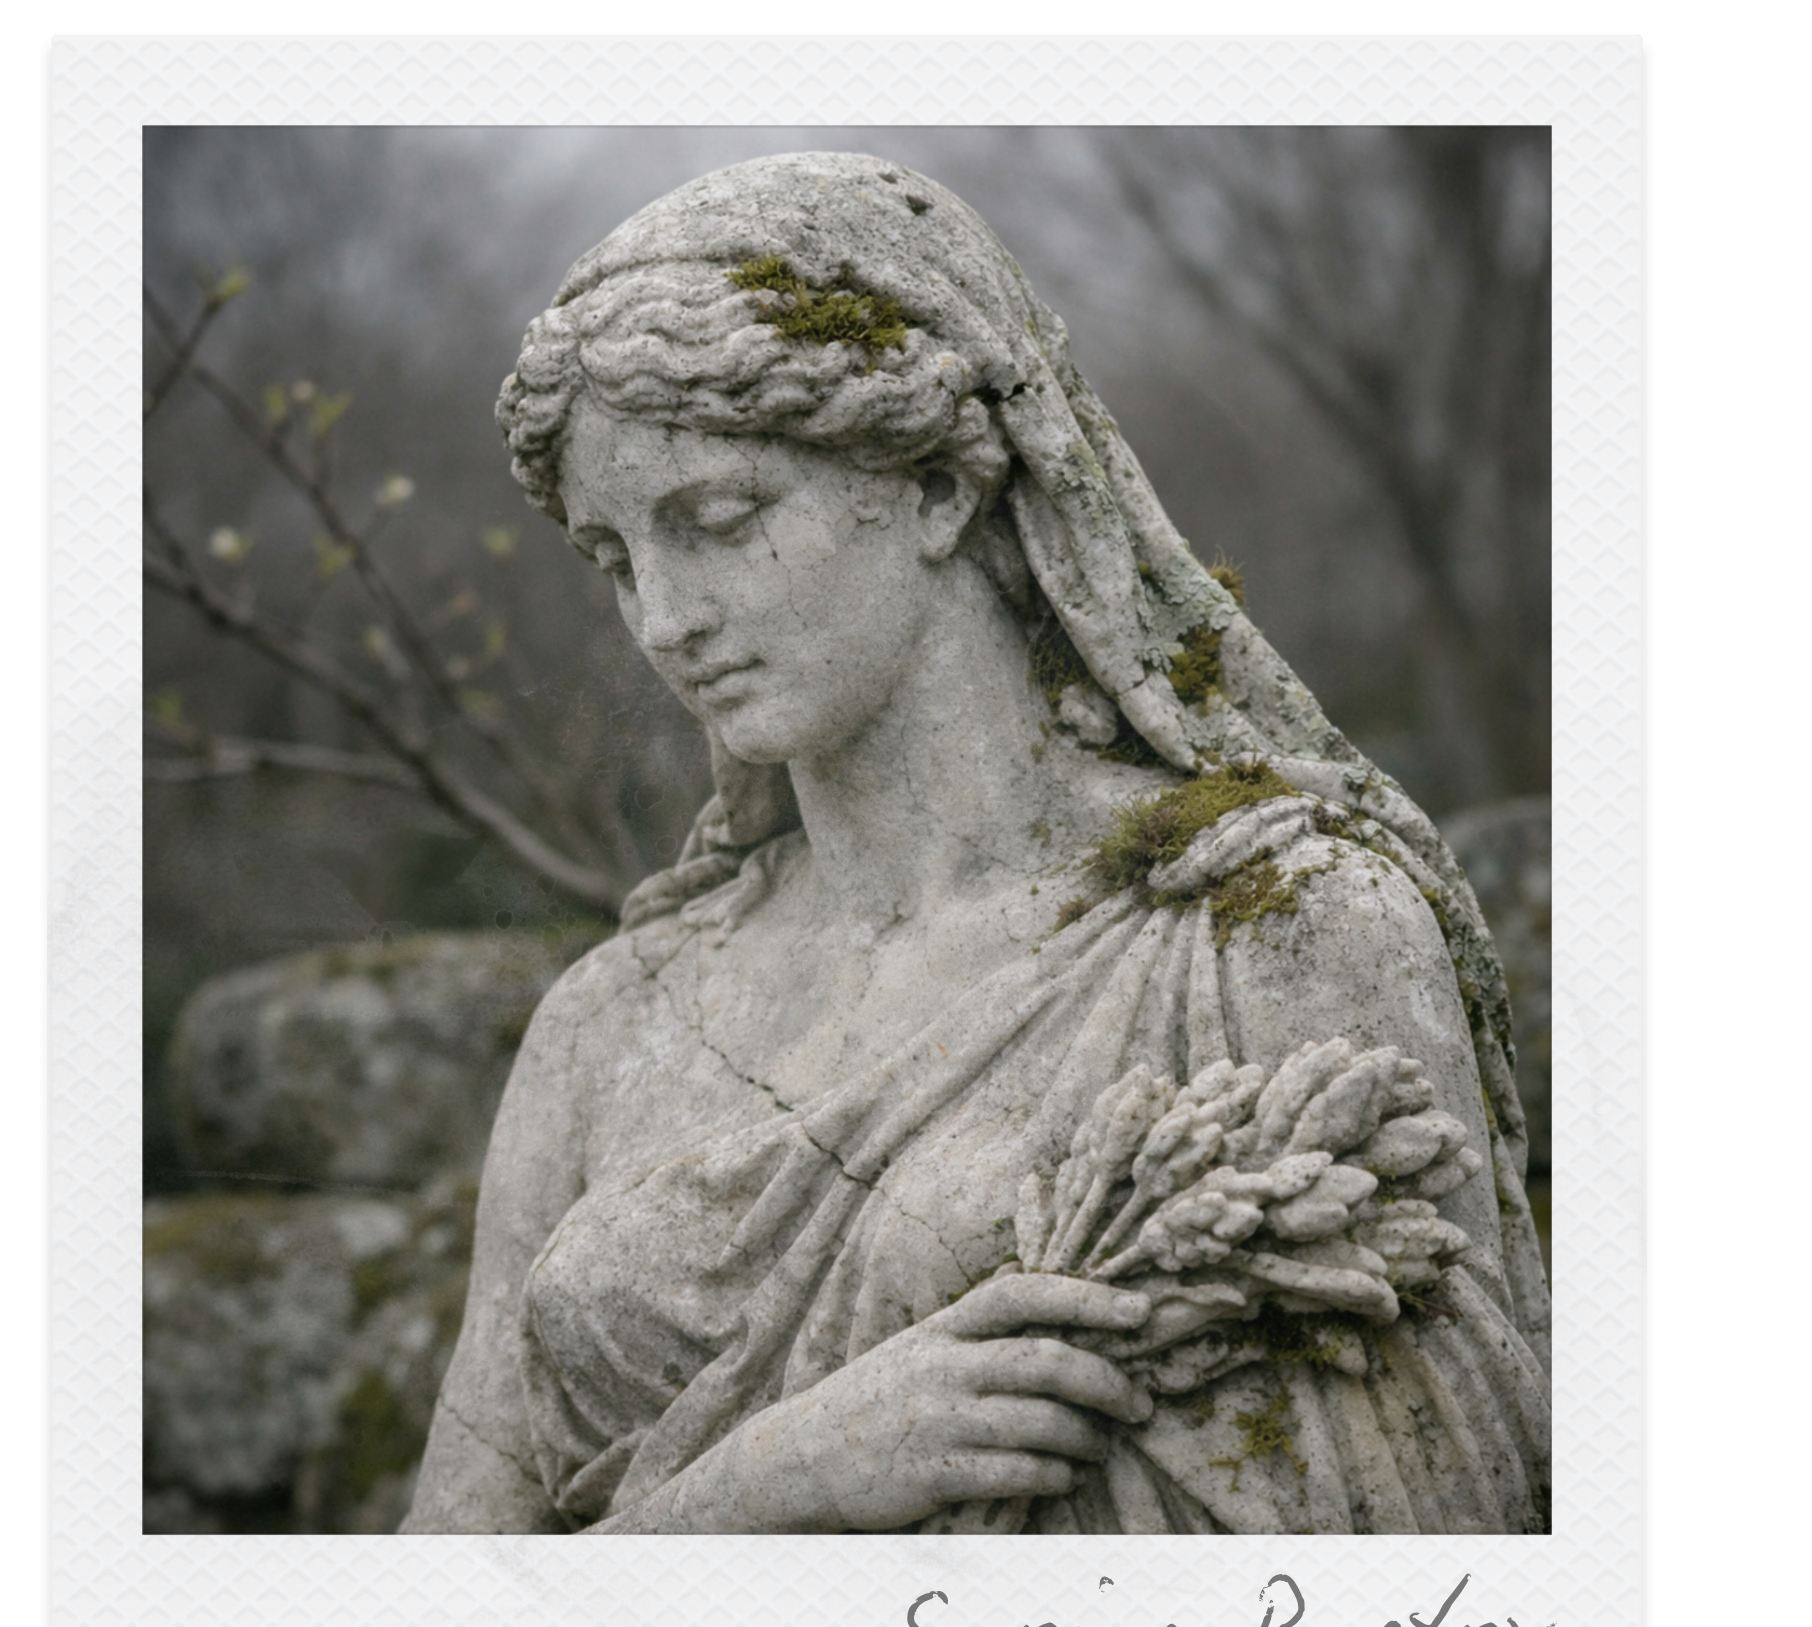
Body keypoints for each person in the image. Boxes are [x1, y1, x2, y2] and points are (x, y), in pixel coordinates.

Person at [401, 153, 1549, 1536]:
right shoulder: (604, 1026)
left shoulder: (1276, 926)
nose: (664, 617)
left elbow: (1436, 1569)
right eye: (614, 557)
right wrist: (756, 1497)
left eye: (718, 520)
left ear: (941, 485)